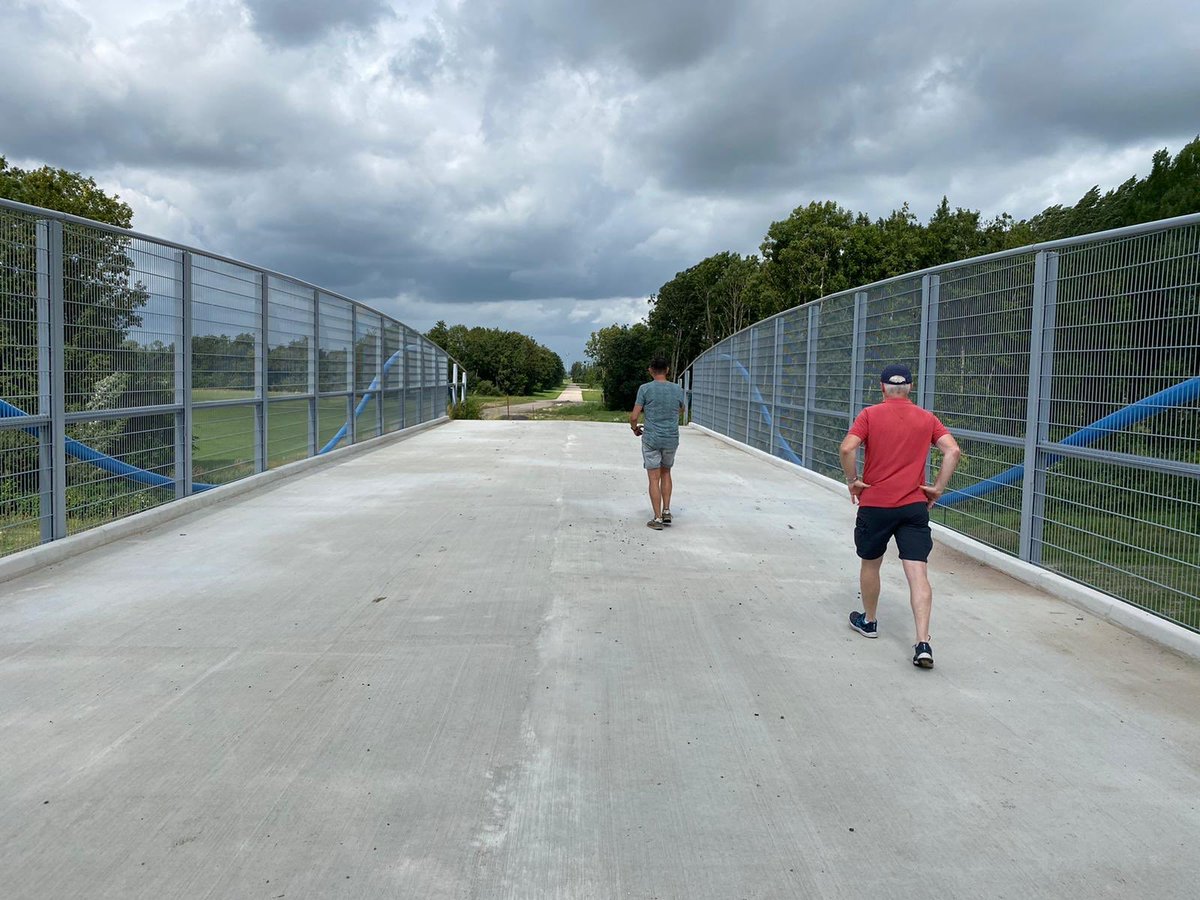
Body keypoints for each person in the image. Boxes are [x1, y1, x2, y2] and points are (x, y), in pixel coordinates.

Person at [839, 363, 961, 668]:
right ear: (910, 388)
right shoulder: (927, 418)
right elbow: (953, 451)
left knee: (871, 563)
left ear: (882, 388)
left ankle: (869, 621)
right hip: (913, 506)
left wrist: (853, 481)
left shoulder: (870, 415)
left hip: (875, 504)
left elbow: (847, 449)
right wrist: (937, 488)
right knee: (918, 573)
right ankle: (922, 642)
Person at [630, 357, 686, 530]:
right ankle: (667, 510)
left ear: (651, 370)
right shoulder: (677, 389)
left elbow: (634, 416)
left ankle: (657, 518)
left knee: (654, 479)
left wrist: (635, 428)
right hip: (671, 438)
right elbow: (682, 409)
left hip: (652, 439)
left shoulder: (645, 389)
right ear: (667, 370)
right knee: (666, 473)